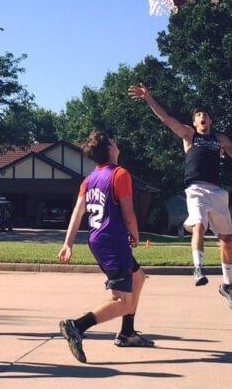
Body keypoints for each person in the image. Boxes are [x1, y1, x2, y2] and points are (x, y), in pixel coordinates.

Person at [128, 84, 232, 312]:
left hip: (217, 192)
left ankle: (228, 286)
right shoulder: (189, 135)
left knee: (226, 240)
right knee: (200, 225)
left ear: (210, 122)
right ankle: (199, 268)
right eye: (198, 116)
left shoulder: (220, 139)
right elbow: (166, 118)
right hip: (196, 189)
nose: (202, 118)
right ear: (194, 123)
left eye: (205, 116)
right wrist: (149, 98)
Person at [58, 131, 153, 364]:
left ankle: (127, 333)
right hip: (112, 242)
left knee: (138, 278)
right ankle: (77, 326)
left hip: (101, 239)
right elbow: (128, 212)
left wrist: (68, 243)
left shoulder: (89, 180)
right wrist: (135, 232)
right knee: (123, 302)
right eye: (114, 141)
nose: (116, 143)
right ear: (111, 148)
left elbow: (77, 212)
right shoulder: (119, 174)